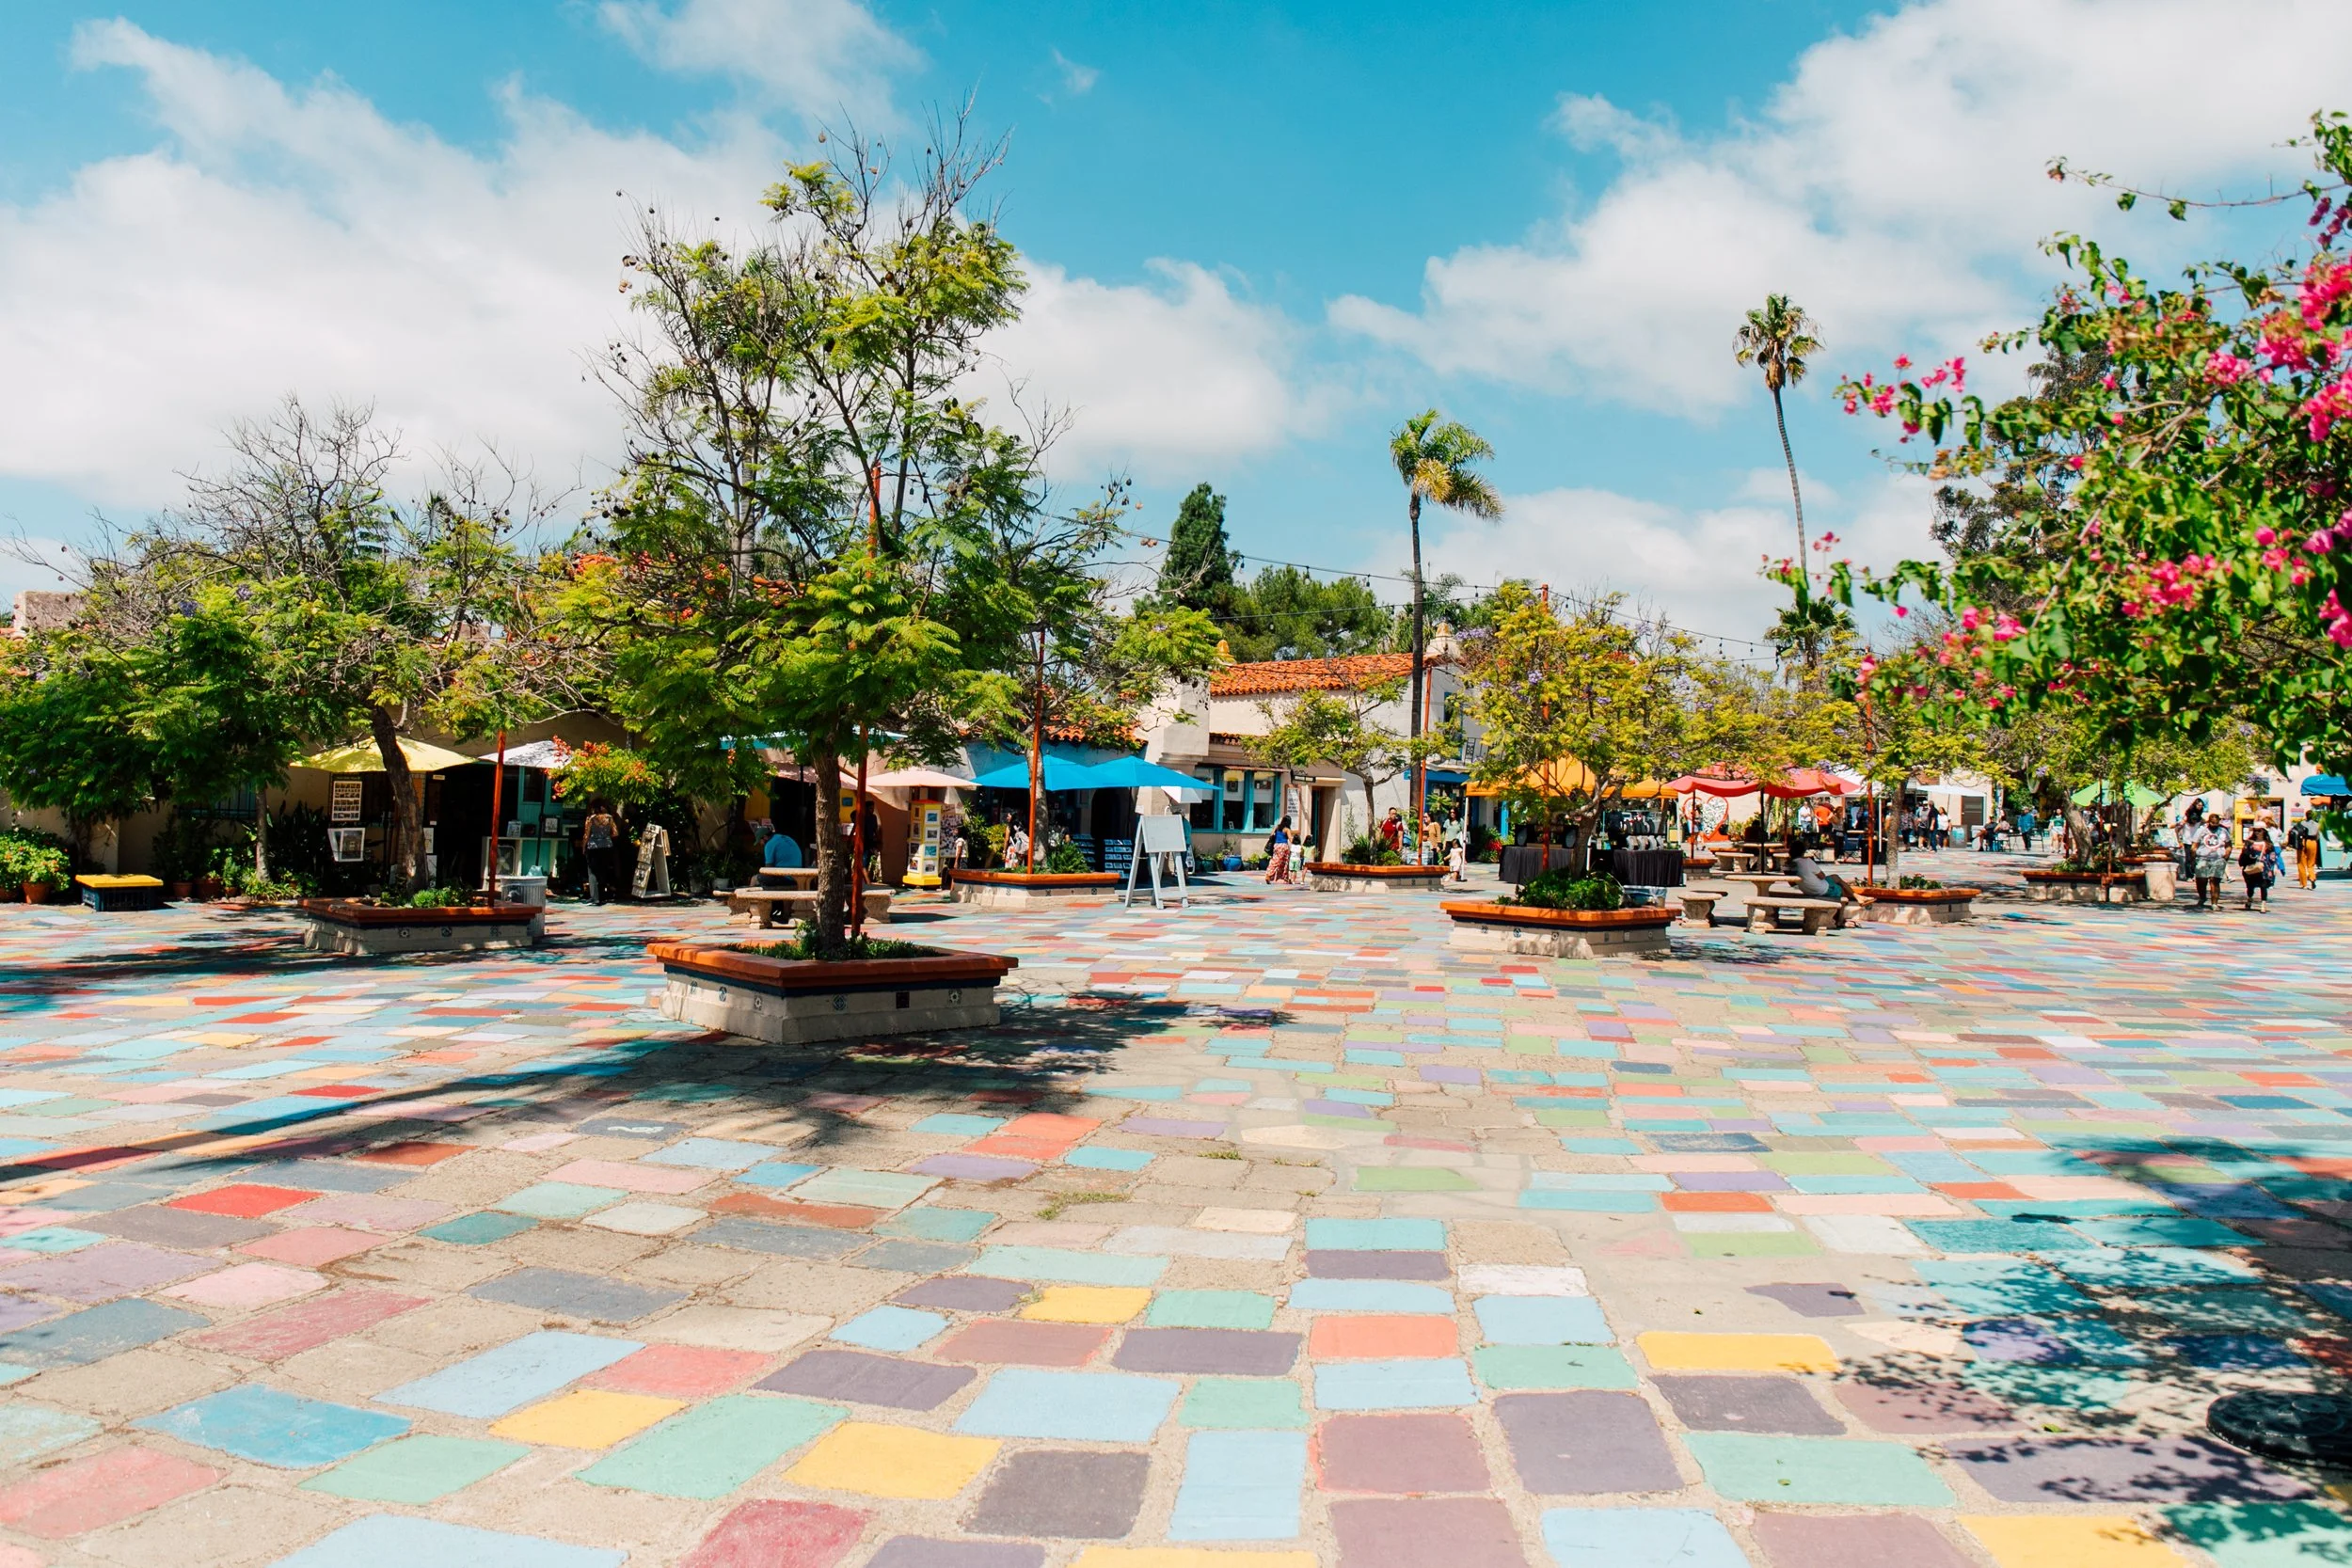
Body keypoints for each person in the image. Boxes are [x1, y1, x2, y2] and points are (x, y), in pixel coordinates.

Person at [2190, 812, 2233, 908]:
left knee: (2215, 881)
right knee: (2201, 880)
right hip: (2202, 858)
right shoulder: (2201, 830)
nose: (2214, 826)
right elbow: (2194, 845)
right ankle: (2202, 897)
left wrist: (2226, 856)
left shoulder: (2223, 831)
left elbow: (2229, 845)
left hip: (2218, 859)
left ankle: (2214, 903)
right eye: (2212, 823)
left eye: (2216, 824)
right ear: (2209, 822)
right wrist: (2192, 859)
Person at [580, 802, 620, 906]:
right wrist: (606, 836)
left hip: (593, 847)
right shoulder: (609, 818)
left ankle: (595, 897)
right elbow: (615, 833)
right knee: (603, 871)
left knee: (592, 871)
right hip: (606, 846)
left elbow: (586, 834)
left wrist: (584, 847)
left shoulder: (591, 819)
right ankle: (602, 897)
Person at [2241, 827, 2277, 911]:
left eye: (2259, 830)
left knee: (2263, 885)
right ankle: (2250, 899)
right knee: (2250, 886)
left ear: (2264, 831)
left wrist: (2274, 867)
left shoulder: (2268, 844)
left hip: (2264, 867)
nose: (2257, 832)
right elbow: (2244, 854)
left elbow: (2273, 856)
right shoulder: (2249, 842)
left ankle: (2263, 904)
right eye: (2255, 830)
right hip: (2251, 865)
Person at [2290, 816, 2321, 889]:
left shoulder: (2301, 823)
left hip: (2302, 842)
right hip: (2312, 842)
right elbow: (2318, 836)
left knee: (2301, 863)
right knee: (2311, 863)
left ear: (2306, 816)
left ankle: (2304, 884)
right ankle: (2312, 878)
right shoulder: (2317, 824)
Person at [1264, 816, 1295, 885]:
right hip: (1284, 846)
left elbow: (1271, 835)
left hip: (1276, 845)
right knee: (1284, 862)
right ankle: (1284, 878)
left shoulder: (1277, 827)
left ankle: (1269, 874)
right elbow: (1290, 839)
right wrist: (1296, 841)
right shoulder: (1287, 829)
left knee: (1275, 860)